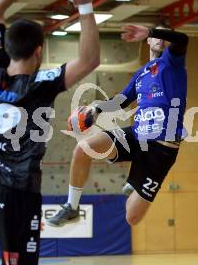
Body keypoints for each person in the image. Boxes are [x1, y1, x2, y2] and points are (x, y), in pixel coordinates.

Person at [0, 0, 100, 264]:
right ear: (39, 51)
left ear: (5, 47)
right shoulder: (41, 83)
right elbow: (90, 59)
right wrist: (85, 5)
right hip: (18, 192)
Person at [47, 25, 189, 227]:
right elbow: (122, 99)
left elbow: (182, 38)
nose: (160, 38)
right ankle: (72, 206)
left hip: (161, 148)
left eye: (163, 34)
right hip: (137, 136)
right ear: (148, 43)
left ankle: (136, 180)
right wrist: (97, 110)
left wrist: (151, 31)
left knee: (132, 218)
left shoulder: (173, 63)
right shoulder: (142, 73)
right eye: (156, 36)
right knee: (83, 148)